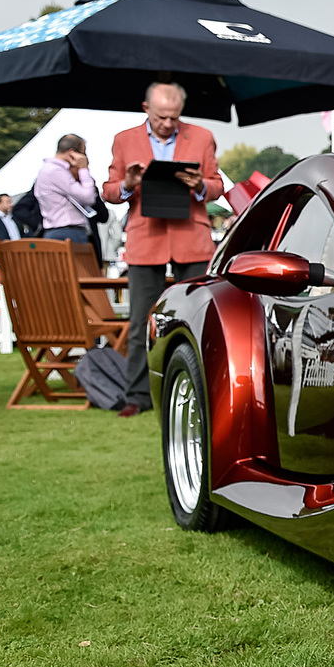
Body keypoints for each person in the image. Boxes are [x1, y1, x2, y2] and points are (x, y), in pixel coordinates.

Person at [104, 82, 223, 418]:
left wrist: (199, 185)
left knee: (198, 318)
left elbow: (217, 186)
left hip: (191, 235)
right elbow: (109, 191)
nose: (168, 124)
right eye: (161, 117)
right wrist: (128, 184)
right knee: (141, 319)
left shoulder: (201, 137)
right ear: (146, 108)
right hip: (146, 237)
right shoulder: (124, 140)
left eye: (174, 117)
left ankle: (203, 390)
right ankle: (138, 395)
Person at [34, 134, 99, 245]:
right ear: (72, 153)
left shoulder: (46, 169)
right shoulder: (56, 171)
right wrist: (84, 169)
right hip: (68, 232)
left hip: (58, 231)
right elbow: (88, 197)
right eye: (83, 153)